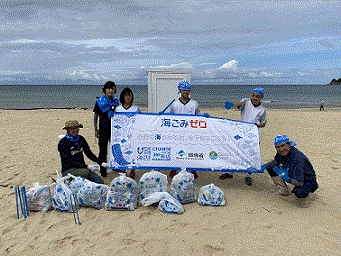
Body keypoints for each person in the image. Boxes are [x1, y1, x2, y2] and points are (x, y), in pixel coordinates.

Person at [220, 87, 267, 186]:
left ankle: (248, 175)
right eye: (253, 95)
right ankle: (230, 172)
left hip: (253, 134)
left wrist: (256, 125)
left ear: (261, 97)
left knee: (251, 154)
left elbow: (263, 123)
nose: (254, 98)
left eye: (257, 96)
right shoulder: (246, 102)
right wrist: (232, 104)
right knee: (235, 151)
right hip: (241, 132)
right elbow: (239, 103)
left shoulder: (262, 109)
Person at [262, 135, 318, 207]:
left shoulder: (297, 159)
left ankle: (304, 200)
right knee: (271, 167)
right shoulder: (281, 153)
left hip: (306, 180)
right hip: (292, 173)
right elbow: (276, 161)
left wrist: (287, 179)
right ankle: (283, 190)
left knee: (299, 191)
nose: (281, 149)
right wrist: (265, 166)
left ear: (289, 145)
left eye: (283, 146)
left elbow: (299, 182)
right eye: (278, 147)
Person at [169, 81, 200, 179]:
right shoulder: (174, 104)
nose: (185, 92)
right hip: (178, 132)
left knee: (191, 151)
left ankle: (193, 169)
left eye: (187, 90)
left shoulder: (194, 104)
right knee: (176, 150)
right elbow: (170, 117)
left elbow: (198, 117)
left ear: (190, 91)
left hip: (190, 132)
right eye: (183, 90)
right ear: (180, 91)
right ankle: (174, 168)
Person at [93, 81, 119, 177]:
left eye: (112, 88)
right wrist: (95, 129)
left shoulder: (116, 101)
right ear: (105, 90)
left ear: (114, 90)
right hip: (103, 128)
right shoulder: (100, 101)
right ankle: (102, 169)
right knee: (103, 149)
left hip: (114, 128)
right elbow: (95, 116)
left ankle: (115, 166)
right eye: (108, 88)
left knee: (114, 148)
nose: (110, 90)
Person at [115, 87, 140, 179]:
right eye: (126, 95)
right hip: (121, 134)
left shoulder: (135, 108)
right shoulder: (118, 109)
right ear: (122, 97)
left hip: (132, 134)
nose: (128, 97)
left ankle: (132, 170)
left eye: (129, 95)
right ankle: (123, 170)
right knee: (122, 152)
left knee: (132, 151)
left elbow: (141, 120)